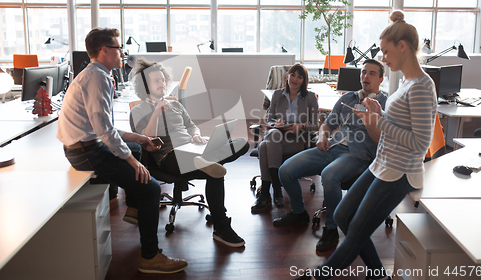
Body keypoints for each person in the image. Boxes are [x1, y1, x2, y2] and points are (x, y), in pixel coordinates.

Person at [296, 11, 437, 280]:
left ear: (402, 46)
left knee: (357, 228)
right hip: (381, 164)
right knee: (343, 215)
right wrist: (379, 115)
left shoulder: (421, 86)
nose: (383, 57)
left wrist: (379, 122)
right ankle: (378, 274)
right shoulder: (407, 82)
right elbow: (401, 126)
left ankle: (319, 277)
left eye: (385, 51)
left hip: (399, 172)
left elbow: (420, 144)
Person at [57, 28, 188, 274]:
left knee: (138, 147)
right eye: (119, 48)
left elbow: (102, 128)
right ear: (105, 51)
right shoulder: (98, 78)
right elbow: (104, 130)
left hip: (85, 146)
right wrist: (132, 162)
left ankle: (136, 209)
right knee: (151, 188)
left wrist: (139, 138)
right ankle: (150, 257)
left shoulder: (94, 73)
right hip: (86, 152)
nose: (123, 53)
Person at [129, 57, 249, 248]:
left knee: (242, 143)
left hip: (192, 149)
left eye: (162, 80)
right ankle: (221, 227)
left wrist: (195, 136)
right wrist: (156, 112)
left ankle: (205, 159)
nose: (162, 84)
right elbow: (147, 141)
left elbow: (192, 126)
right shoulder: (138, 111)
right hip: (169, 157)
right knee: (215, 172)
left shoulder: (176, 105)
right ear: (145, 85)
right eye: (156, 81)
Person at [273, 59, 387, 252]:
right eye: (363, 72)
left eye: (372, 73)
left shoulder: (384, 104)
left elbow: (384, 141)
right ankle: (299, 212)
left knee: (329, 175)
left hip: (358, 154)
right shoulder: (348, 98)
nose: (365, 76)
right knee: (286, 170)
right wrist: (322, 135)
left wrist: (370, 120)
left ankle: (332, 228)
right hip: (332, 147)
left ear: (381, 79)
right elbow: (327, 124)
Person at [251, 63, 319, 212]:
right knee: (272, 136)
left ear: (304, 81)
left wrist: (300, 126)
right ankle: (276, 188)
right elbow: (269, 119)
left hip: (297, 139)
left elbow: (315, 125)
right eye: (292, 74)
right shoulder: (276, 95)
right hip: (276, 135)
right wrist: (277, 123)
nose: (295, 79)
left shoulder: (310, 97)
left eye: (299, 77)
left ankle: (266, 193)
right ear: (287, 76)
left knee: (263, 146)